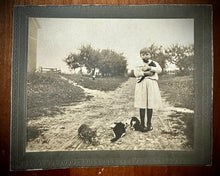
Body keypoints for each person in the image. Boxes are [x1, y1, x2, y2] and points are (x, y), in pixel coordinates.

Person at [134, 50, 162, 132]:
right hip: (141, 84)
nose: (145, 56)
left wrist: (150, 68)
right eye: (143, 54)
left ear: (150, 55)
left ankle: (149, 124)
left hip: (151, 84)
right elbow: (136, 73)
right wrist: (146, 73)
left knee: (150, 104)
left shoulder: (154, 63)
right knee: (142, 104)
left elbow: (159, 70)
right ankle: (142, 124)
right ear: (140, 56)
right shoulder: (138, 63)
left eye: (147, 54)